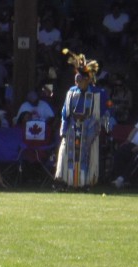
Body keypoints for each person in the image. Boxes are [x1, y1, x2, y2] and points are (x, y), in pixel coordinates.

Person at [55, 49, 107, 189]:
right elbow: (65, 112)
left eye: (80, 79)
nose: (77, 81)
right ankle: (65, 181)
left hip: (89, 127)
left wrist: (93, 129)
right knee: (67, 154)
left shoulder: (97, 93)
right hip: (72, 127)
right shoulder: (71, 92)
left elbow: (100, 113)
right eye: (76, 78)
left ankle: (85, 182)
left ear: (88, 79)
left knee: (85, 156)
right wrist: (64, 129)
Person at [110, 121, 138, 189]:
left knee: (136, 158)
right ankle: (120, 179)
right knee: (120, 152)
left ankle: (121, 179)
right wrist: (127, 141)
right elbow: (134, 131)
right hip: (132, 144)